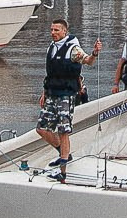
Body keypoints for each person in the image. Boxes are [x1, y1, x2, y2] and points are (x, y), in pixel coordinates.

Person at [37, 18, 95, 177]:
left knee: (63, 130)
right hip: (51, 92)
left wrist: (95, 53)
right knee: (42, 128)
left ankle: (63, 169)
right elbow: (50, 73)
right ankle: (64, 153)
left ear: (64, 31)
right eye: (51, 30)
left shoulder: (73, 48)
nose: (53, 33)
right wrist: (44, 92)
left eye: (56, 30)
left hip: (66, 94)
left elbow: (87, 60)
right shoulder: (52, 47)